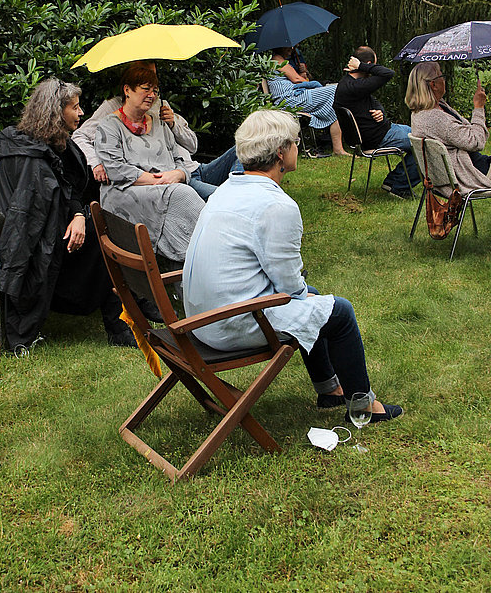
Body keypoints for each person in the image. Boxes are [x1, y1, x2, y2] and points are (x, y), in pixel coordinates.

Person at [183, 109, 403, 421]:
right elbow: (287, 285)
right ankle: (363, 406)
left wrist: (305, 294)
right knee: (339, 311)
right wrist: (306, 295)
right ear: (280, 153)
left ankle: (330, 390)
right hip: (228, 325)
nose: (298, 149)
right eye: (296, 143)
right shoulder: (276, 205)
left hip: (199, 319)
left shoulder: (228, 189)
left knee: (312, 297)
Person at [0, 78, 137, 353]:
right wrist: (77, 217)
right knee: (107, 238)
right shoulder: (29, 156)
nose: (81, 113)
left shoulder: (55, 146)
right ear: (56, 112)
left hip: (58, 228)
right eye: (75, 107)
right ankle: (120, 324)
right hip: (38, 241)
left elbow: (67, 191)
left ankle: (123, 321)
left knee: (109, 229)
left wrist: (78, 215)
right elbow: (30, 216)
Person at [73, 61, 239, 200]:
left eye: (153, 79)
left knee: (242, 150)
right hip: (173, 180)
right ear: (129, 86)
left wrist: (174, 124)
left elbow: (193, 146)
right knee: (227, 200)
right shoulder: (112, 109)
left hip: (193, 169)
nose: (151, 91)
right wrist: (97, 163)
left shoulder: (161, 104)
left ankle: (241, 191)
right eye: (145, 79)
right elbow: (80, 136)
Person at [94, 63, 206, 262]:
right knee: (182, 193)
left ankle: (197, 253)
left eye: (154, 90)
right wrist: (158, 180)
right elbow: (115, 169)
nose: (152, 95)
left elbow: (180, 159)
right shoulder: (109, 126)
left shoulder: (160, 123)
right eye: (146, 89)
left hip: (166, 186)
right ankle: (204, 249)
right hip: (125, 191)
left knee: (181, 192)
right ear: (127, 90)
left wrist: (178, 174)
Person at [333, 45, 421, 198]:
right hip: (380, 137)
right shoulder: (354, 87)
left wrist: (380, 111)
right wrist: (362, 66)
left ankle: (396, 181)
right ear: (368, 64)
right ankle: (398, 185)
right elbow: (388, 73)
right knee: (426, 143)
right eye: (373, 64)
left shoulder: (350, 84)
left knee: (419, 133)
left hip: (383, 131)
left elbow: (373, 101)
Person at [406, 62, 491, 195]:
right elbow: (476, 141)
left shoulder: (429, 109)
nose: (444, 80)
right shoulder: (436, 118)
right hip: (471, 174)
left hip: (464, 168)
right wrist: (479, 107)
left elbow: (467, 130)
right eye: (442, 76)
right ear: (433, 84)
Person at [268, 47, 348, 155]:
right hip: (290, 99)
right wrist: (305, 79)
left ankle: (337, 147)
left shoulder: (281, 60)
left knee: (335, 98)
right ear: (280, 46)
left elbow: (297, 79)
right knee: (336, 90)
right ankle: (338, 148)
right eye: (288, 48)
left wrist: (303, 73)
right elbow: (296, 79)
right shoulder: (277, 59)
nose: (291, 49)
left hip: (293, 97)